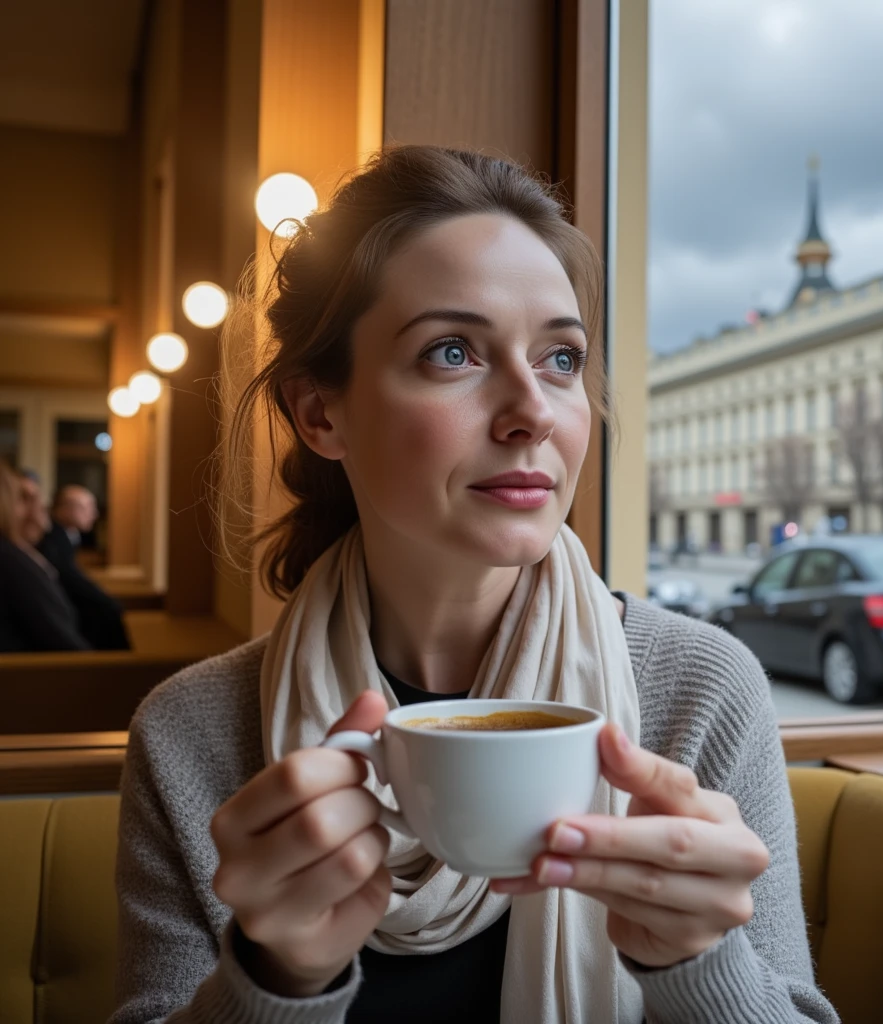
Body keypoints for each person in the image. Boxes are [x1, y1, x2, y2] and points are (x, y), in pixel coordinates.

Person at [111, 147, 839, 1024]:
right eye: (453, 351)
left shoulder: (698, 690)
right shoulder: (192, 736)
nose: (533, 409)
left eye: (562, 359)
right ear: (320, 413)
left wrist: (700, 965)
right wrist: (273, 981)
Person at [0, 463, 90, 652]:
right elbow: (64, 644)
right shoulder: (12, 560)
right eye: (23, 498)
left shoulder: (24, 554)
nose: (38, 507)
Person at [38, 484, 131, 650]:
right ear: (63, 509)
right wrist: (107, 602)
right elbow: (69, 577)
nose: (94, 514)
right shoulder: (52, 539)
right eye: (86, 507)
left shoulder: (68, 535)